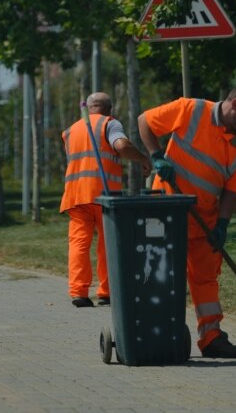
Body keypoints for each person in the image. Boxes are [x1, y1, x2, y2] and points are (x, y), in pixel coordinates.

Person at [138, 80, 236, 358]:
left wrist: (222, 223)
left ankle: (211, 338)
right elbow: (145, 121)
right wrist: (157, 156)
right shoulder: (191, 110)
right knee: (160, 275)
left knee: (206, 278)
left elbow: (233, 190)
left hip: (204, 219)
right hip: (166, 210)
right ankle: (157, 333)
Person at [60, 92, 153, 308]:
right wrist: (141, 158)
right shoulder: (109, 124)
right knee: (108, 243)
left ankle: (79, 293)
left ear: (89, 107)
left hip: (76, 195)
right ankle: (107, 292)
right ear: (109, 109)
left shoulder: (71, 130)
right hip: (104, 195)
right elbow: (121, 146)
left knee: (79, 244)